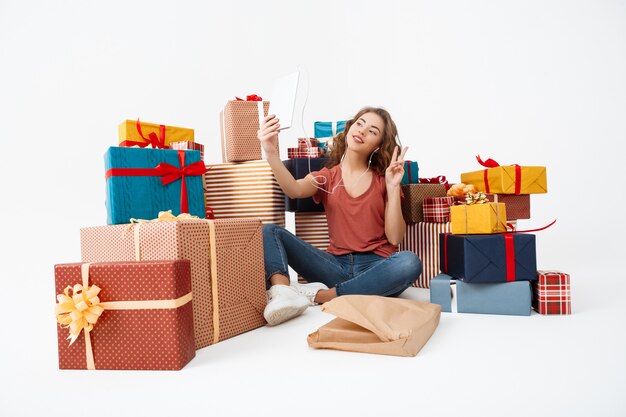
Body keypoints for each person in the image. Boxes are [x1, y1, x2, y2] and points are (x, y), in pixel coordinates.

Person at [258, 107, 422, 326]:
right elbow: (294, 190)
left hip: (375, 266)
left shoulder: (385, 180)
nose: (362, 131)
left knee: (409, 262)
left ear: (379, 145)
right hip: (334, 266)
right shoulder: (328, 178)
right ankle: (283, 294)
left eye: (372, 131)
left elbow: (394, 238)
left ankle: (321, 296)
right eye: (360, 123)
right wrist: (271, 153)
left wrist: (393, 187)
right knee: (270, 231)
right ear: (350, 128)